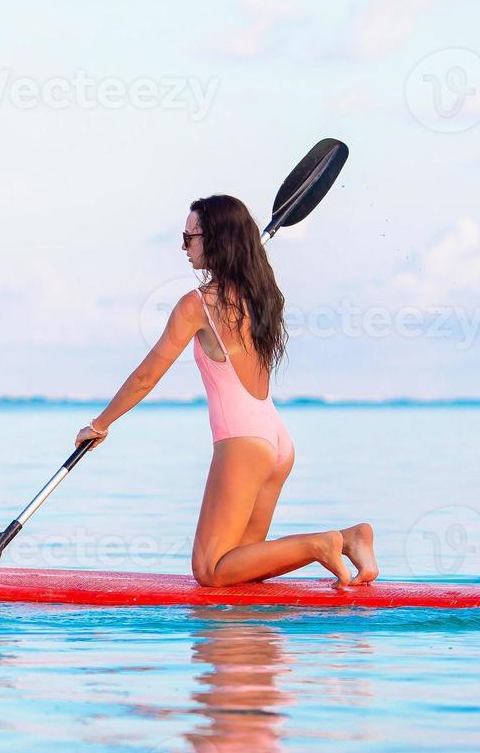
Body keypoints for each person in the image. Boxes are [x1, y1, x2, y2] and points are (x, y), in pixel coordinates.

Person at [74, 195, 377, 587]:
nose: (184, 247)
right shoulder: (261, 296)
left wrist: (100, 424)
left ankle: (327, 542)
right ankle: (349, 540)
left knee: (211, 571)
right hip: (277, 442)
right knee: (240, 569)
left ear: (216, 239)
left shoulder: (197, 305)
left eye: (190, 237)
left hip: (243, 443)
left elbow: (146, 377)